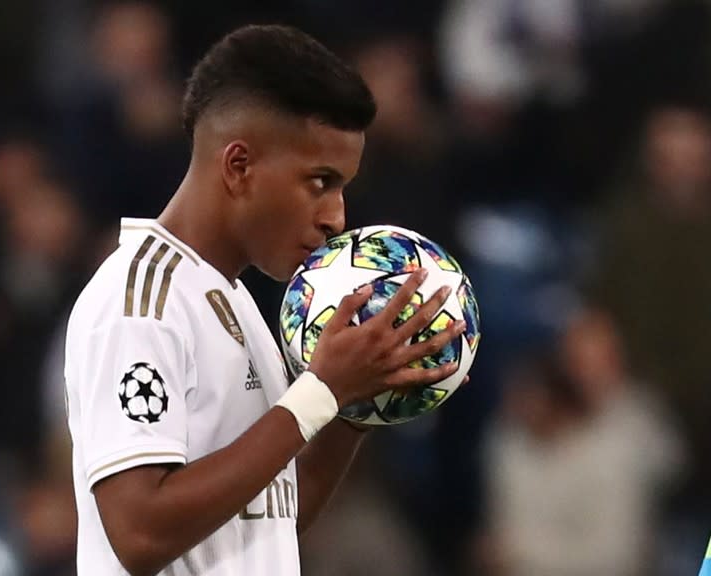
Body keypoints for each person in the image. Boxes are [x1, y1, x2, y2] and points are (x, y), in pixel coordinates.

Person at [64, 24, 466, 576]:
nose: (337, 216)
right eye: (320, 181)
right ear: (239, 166)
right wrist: (320, 392)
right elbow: (139, 531)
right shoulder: (140, 300)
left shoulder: (238, 303)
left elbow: (276, 512)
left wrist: (359, 404)